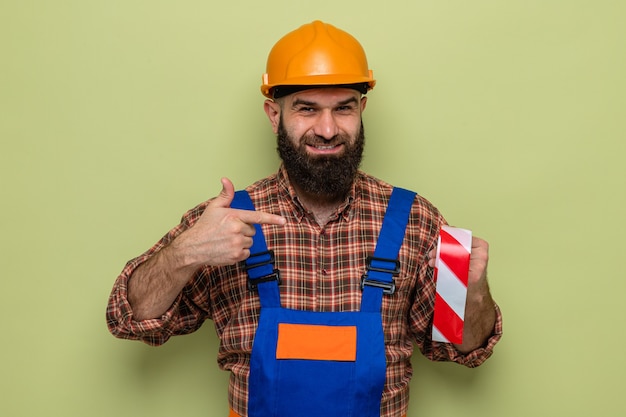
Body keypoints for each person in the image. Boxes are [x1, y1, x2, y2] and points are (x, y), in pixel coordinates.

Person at [106, 20, 502, 417]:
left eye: (343, 108)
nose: (327, 129)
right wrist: (184, 254)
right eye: (307, 109)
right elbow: (128, 318)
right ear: (274, 115)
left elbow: (465, 348)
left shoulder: (414, 220)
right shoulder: (226, 220)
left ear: (362, 109)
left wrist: (474, 292)